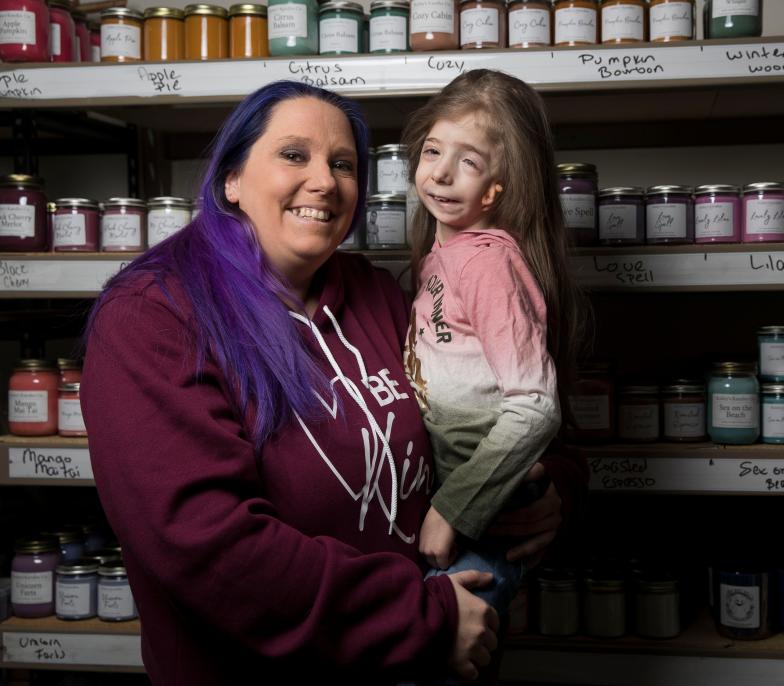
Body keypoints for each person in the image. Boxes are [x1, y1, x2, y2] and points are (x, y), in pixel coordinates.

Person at [80, 80, 586, 685]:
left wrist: (548, 491)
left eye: (343, 164)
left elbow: (509, 418)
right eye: (294, 155)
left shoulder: (381, 294)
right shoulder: (154, 316)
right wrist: (421, 621)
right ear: (231, 180)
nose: (324, 181)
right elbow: (208, 547)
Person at [401, 70, 587, 633]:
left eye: (469, 161)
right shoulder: (442, 253)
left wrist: (449, 510)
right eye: (433, 150)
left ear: (496, 189)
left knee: (437, 651)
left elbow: (534, 405)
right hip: (462, 491)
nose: (439, 172)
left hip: (487, 501)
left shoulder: (486, 263)